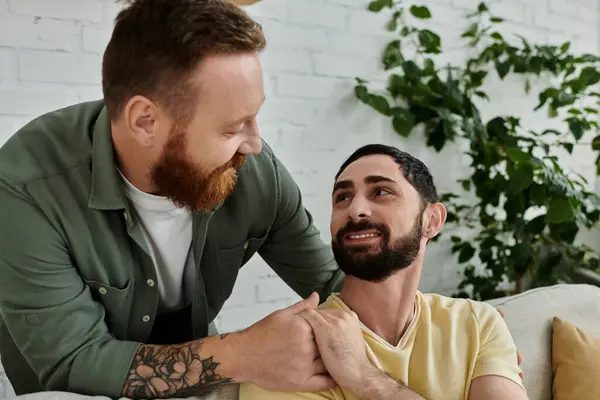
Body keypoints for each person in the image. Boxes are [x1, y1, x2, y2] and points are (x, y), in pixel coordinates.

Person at [0, 0, 344, 398]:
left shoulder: (255, 169)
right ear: (145, 121)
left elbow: (334, 285)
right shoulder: (26, 188)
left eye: (254, 117)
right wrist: (244, 354)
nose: (254, 143)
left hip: (203, 375)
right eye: (231, 128)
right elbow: (72, 364)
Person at [240, 144, 528, 400]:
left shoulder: (477, 324)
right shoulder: (292, 351)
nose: (355, 210)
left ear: (432, 220)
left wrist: (364, 377)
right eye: (342, 197)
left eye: (381, 192)